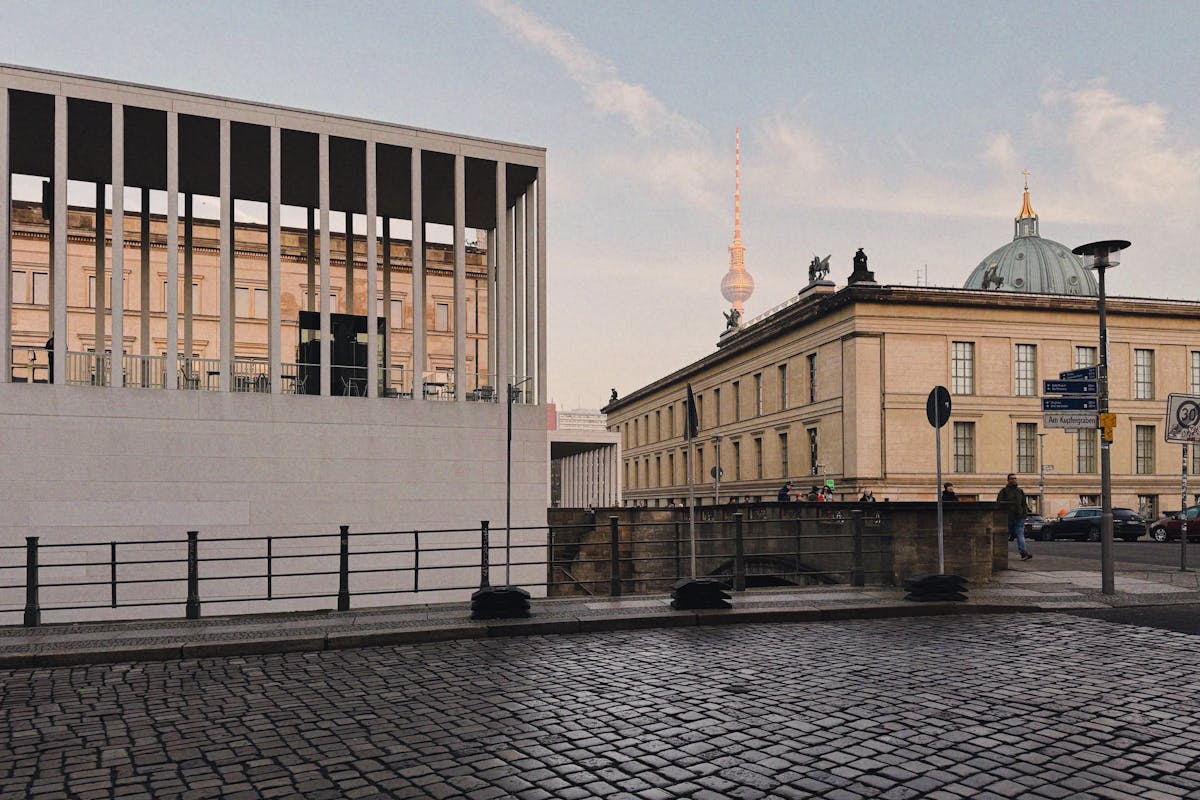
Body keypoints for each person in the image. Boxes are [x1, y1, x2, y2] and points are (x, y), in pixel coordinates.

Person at [997, 473, 1032, 561]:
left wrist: (1025, 513)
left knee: (1020, 534)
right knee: (1004, 535)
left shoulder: (1020, 491)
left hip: (1019, 517)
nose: (1014, 480)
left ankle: (1024, 553)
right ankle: (999, 554)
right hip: (1008, 517)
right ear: (1008, 480)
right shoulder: (1004, 491)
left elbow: (1024, 503)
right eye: (1012, 478)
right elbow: (999, 503)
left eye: (1015, 478)